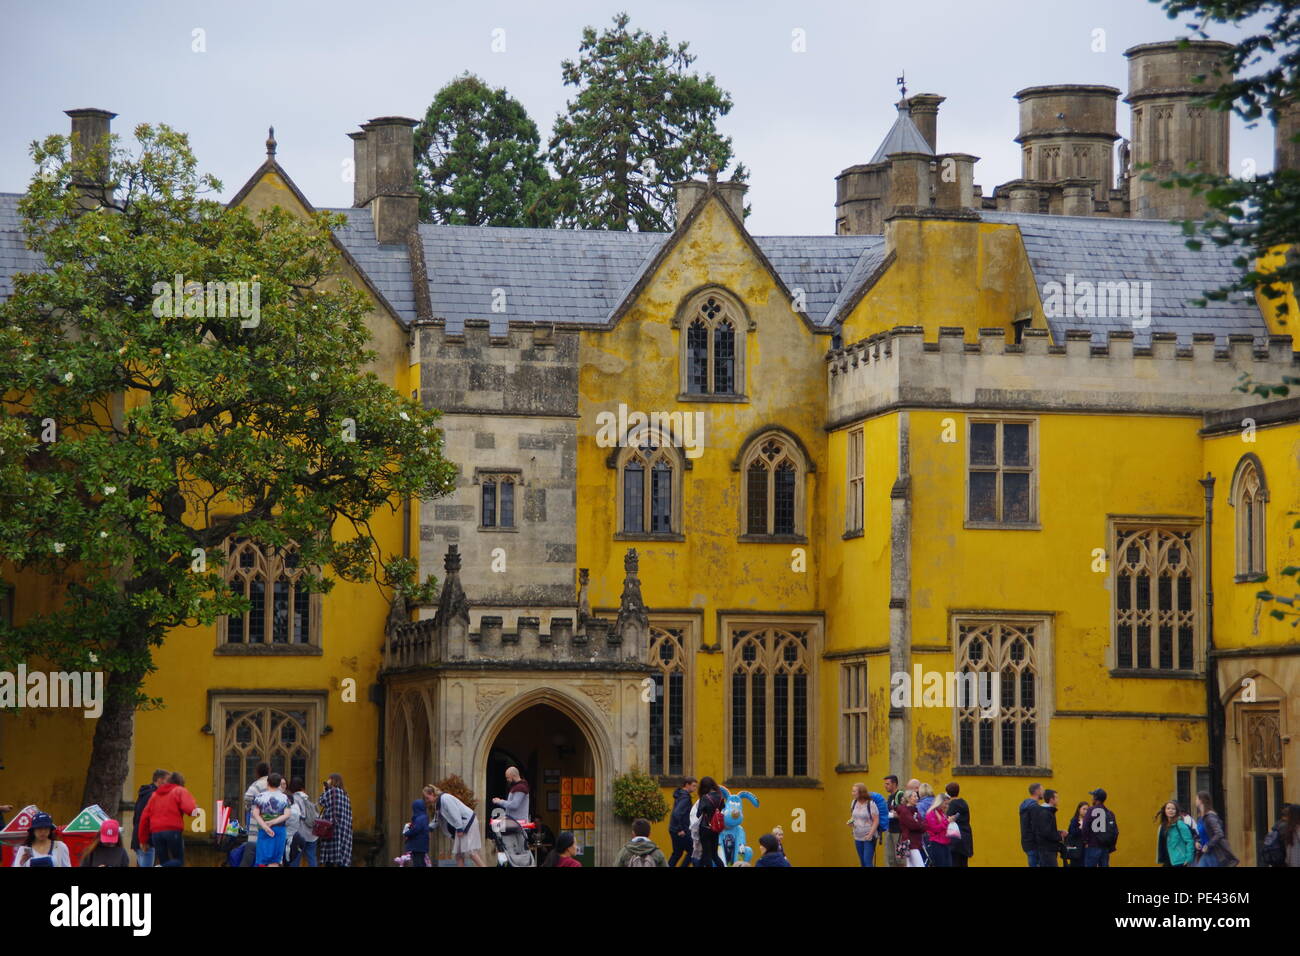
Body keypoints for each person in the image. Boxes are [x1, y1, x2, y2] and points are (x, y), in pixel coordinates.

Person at [139, 771, 198, 867]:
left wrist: (143, 840)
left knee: (164, 861)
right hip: (172, 831)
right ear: (180, 783)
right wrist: (196, 811)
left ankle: (161, 865)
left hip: (156, 833)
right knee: (178, 861)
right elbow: (190, 809)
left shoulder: (155, 795)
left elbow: (144, 818)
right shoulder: (179, 790)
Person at [426, 783, 485, 867]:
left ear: (432, 794)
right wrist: (429, 828)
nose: (427, 800)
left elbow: (455, 813)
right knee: (459, 854)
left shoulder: (445, 798)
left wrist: (459, 828)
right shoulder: (438, 803)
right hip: (463, 824)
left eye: (427, 798)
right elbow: (437, 819)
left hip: (467, 823)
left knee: (471, 852)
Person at [251, 772, 291, 867]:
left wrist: (265, 826)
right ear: (279, 784)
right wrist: (273, 822)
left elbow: (255, 814)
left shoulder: (260, 797)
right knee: (275, 861)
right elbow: (287, 815)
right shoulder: (284, 797)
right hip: (279, 830)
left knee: (263, 860)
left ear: (267, 782)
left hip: (264, 830)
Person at [131, 769, 168, 868]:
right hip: (147, 841)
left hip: (139, 838)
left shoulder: (145, 793)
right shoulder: (153, 795)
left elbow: (136, 818)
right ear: (160, 780)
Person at [317, 773, 354, 867]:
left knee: (330, 857)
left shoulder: (331, 791)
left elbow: (321, 801)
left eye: (329, 779)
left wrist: (324, 790)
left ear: (332, 780)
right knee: (341, 856)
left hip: (332, 829)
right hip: (345, 830)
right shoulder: (346, 795)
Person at [1194, 791, 1238, 867]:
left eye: (1196, 799)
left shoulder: (1210, 817)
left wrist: (1208, 845)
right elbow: (1202, 834)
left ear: (1201, 800)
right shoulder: (1200, 817)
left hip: (1215, 852)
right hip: (1206, 852)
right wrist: (1197, 841)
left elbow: (1219, 833)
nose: (1195, 801)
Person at [240, 761, 270, 868]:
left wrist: (251, 807)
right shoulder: (274, 785)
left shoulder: (256, 785)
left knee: (248, 859)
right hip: (270, 830)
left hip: (255, 829)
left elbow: (247, 798)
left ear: (257, 773)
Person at [1082, 787, 1118, 867]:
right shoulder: (1109, 813)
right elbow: (1115, 832)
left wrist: (1086, 841)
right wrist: (1110, 846)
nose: (1092, 799)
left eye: (1093, 797)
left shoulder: (1091, 810)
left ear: (1095, 798)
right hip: (1105, 848)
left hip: (1092, 846)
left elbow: (1085, 827)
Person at [287, 777, 318, 867]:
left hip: (299, 835)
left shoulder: (293, 799)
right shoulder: (307, 798)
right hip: (312, 834)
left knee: (295, 859)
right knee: (312, 859)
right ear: (302, 787)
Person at [695, 776, 725, 868]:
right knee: (714, 854)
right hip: (716, 828)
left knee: (707, 854)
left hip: (705, 828)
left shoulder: (705, 797)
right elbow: (722, 809)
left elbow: (698, 813)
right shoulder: (720, 797)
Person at [847, 782, 880, 867]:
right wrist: (851, 822)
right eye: (852, 791)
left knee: (867, 862)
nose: (852, 793)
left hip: (868, 837)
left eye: (854, 791)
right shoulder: (853, 802)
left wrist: (870, 834)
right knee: (862, 861)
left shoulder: (870, 804)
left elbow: (876, 820)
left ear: (861, 792)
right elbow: (854, 816)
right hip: (857, 836)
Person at [1155, 800, 1194, 867]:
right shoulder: (1162, 826)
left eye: (1173, 809)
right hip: (1167, 860)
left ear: (1176, 811)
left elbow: (1189, 841)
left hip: (1179, 860)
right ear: (1165, 810)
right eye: (1168, 808)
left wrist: (1188, 858)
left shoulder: (1179, 824)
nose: (1171, 810)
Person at [1030, 789, 1063, 867]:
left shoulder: (1046, 811)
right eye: (1057, 798)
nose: (1058, 800)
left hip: (1047, 849)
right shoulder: (1045, 813)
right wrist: (1059, 836)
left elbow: (1046, 829)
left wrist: (1059, 832)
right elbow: (1046, 832)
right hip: (1047, 850)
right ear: (1051, 799)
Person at [668, 776, 696, 867]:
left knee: (677, 853)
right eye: (693, 786)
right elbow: (677, 813)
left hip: (673, 829)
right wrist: (680, 829)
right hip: (680, 830)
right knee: (693, 850)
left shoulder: (680, 794)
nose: (695, 788)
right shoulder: (685, 798)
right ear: (687, 785)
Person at [945, 782, 973, 866]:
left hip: (955, 838)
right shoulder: (964, 803)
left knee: (954, 862)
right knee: (963, 863)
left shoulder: (951, 805)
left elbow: (947, 820)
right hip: (965, 837)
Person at [896, 789, 926, 867]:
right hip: (910, 842)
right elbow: (913, 825)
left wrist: (920, 825)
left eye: (917, 796)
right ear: (908, 798)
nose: (917, 798)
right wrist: (920, 825)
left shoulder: (914, 810)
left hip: (915, 841)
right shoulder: (905, 811)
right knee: (919, 865)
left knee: (911, 865)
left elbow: (920, 825)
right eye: (914, 796)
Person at [923, 792, 953, 867]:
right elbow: (935, 829)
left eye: (948, 804)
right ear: (939, 803)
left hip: (945, 844)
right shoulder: (931, 813)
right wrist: (947, 822)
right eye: (945, 804)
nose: (947, 806)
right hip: (936, 844)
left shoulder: (942, 814)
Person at [1019, 782, 1044, 867]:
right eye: (1042, 790)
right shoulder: (1034, 807)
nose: (1043, 793)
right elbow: (1036, 827)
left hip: (1027, 843)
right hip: (1034, 843)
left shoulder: (1024, 805)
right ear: (1037, 791)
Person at [405, 791, 431, 867]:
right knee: (420, 863)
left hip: (418, 846)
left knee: (418, 863)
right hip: (420, 846)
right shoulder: (422, 817)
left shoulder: (420, 818)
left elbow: (416, 829)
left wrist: (407, 833)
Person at [883, 774, 903, 867]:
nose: (885, 786)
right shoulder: (890, 797)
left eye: (887, 784)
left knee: (900, 860)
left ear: (894, 784)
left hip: (899, 832)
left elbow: (906, 813)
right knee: (891, 859)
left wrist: (897, 815)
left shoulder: (900, 795)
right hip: (890, 830)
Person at [1063, 801, 1088, 867]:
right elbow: (1072, 833)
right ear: (1079, 809)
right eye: (1084, 809)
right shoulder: (1074, 820)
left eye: (1087, 809)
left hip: (1085, 849)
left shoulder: (1089, 821)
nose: (1086, 811)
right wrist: (1081, 827)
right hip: (1076, 849)